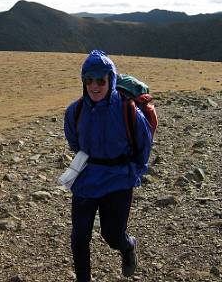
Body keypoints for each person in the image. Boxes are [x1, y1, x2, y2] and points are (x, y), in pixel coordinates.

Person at [64, 50, 152, 282]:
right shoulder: (75, 111)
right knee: (79, 237)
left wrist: (134, 172)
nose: (94, 86)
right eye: (89, 80)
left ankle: (128, 246)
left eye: (100, 80)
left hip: (118, 180)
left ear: (110, 80)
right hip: (87, 178)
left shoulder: (127, 110)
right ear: (83, 81)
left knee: (112, 235)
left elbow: (144, 144)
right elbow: (74, 142)